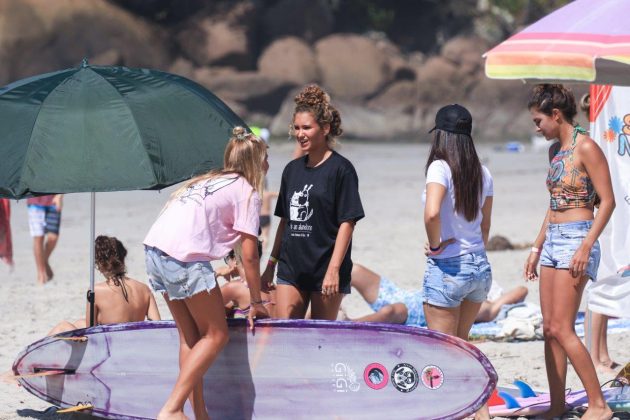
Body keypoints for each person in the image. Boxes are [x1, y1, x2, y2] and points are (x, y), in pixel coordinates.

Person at [143, 126, 270, 420]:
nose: (268, 164)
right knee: (216, 335)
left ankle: (200, 415)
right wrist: (256, 302)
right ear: (255, 162)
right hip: (184, 259)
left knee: (190, 338)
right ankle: (172, 409)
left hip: (154, 250)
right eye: (266, 157)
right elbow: (249, 256)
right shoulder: (247, 193)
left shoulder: (205, 180)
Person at [524, 84, 615, 420]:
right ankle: (558, 405)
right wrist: (537, 246)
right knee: (549, 328)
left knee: (563, 328)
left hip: (579, 237)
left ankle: (598, 405)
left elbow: (607, 201)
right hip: (554, 238)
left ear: (556, 115)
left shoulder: (586, 146)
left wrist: (587, 244)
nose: (536, 127)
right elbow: (553, 206)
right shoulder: (554, 152)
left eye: (538, 120)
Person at [262, 85, 364, 320]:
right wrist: (270, 266)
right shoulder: (291, 170)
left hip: (326, 268)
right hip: (291, 268)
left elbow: (347, 223)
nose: (300, 134)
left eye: (307, 127)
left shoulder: (342, 170)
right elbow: (284, 222)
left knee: (321, 339)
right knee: (286, 333)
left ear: (325, 128)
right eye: (296, 128)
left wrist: (333, 271)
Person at [422, 104, 493, 420]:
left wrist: (436, 245)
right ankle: (481, 412)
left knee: (442, 354)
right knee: (463, 348)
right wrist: (474, 250)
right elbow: (485, 226)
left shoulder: (439, 166)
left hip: (450, 267)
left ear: (440, 135)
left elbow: (432, 212)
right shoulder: (483, 172)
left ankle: (454, 412)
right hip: (479, 266)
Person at [344, 263, 528, 326]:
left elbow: (522, 290)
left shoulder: (480, 305)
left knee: (390, 312)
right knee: (353, 271)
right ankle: (322, 309)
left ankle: (347, 325)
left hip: (413, 312)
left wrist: (497, 298)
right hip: (403, 295)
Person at [48, 235, 160, 335]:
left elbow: (91, 330)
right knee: (79, 323)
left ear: (100, 264)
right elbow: (158, 326)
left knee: (63, 326)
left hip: (110, 346)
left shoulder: (95, 291)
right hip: (134, 342)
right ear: (123, 259)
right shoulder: (144, 289)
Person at [26, 194, 62, 284]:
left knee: (53, 237)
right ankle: (41, 273)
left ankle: (44, 260)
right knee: (38, 237)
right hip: (34, 200)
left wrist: (60, 196)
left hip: (53, 199)